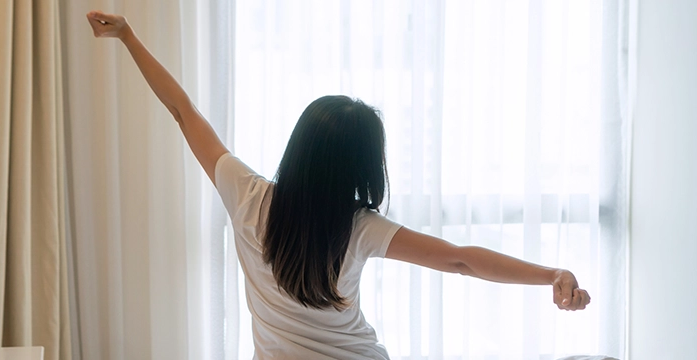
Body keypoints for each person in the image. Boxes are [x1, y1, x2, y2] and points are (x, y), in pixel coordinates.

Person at [86, 11, 591, 359]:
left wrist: (129, 38)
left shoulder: (246, 195)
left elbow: (182, 111)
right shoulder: (360, 228)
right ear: (362, 168)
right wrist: (550, 274)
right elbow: (459, 259)